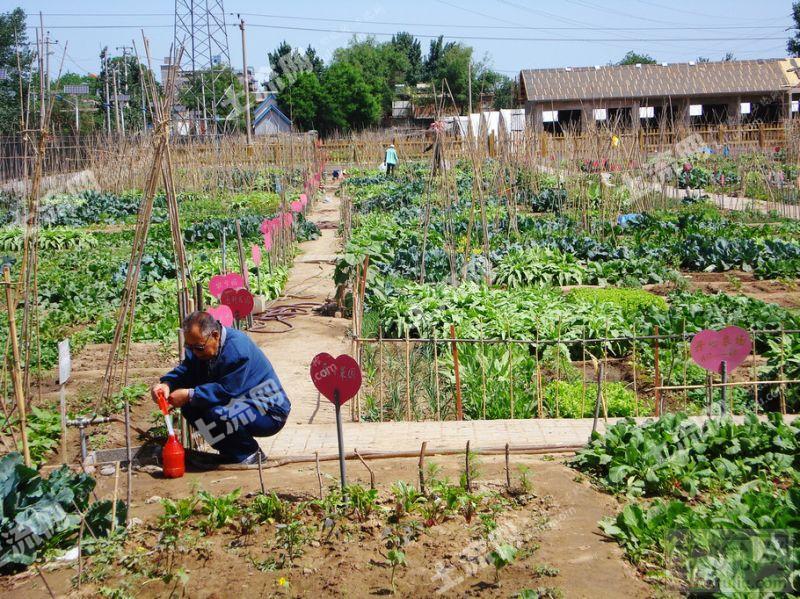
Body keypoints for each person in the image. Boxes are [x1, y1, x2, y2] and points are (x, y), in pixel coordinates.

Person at [150, 311, 291, 465]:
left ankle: (250, 453)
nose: (194, 352)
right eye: (189, 347)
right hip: (243, 404)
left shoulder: (237, 350)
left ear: (215, 335)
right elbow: (187, 370)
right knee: (191, 408)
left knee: (217, 413)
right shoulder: (200, 347)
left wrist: (190, 394)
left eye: (198, 348)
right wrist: (167, 384)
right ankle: (232, 451)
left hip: (268, 411)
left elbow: (227, 391)